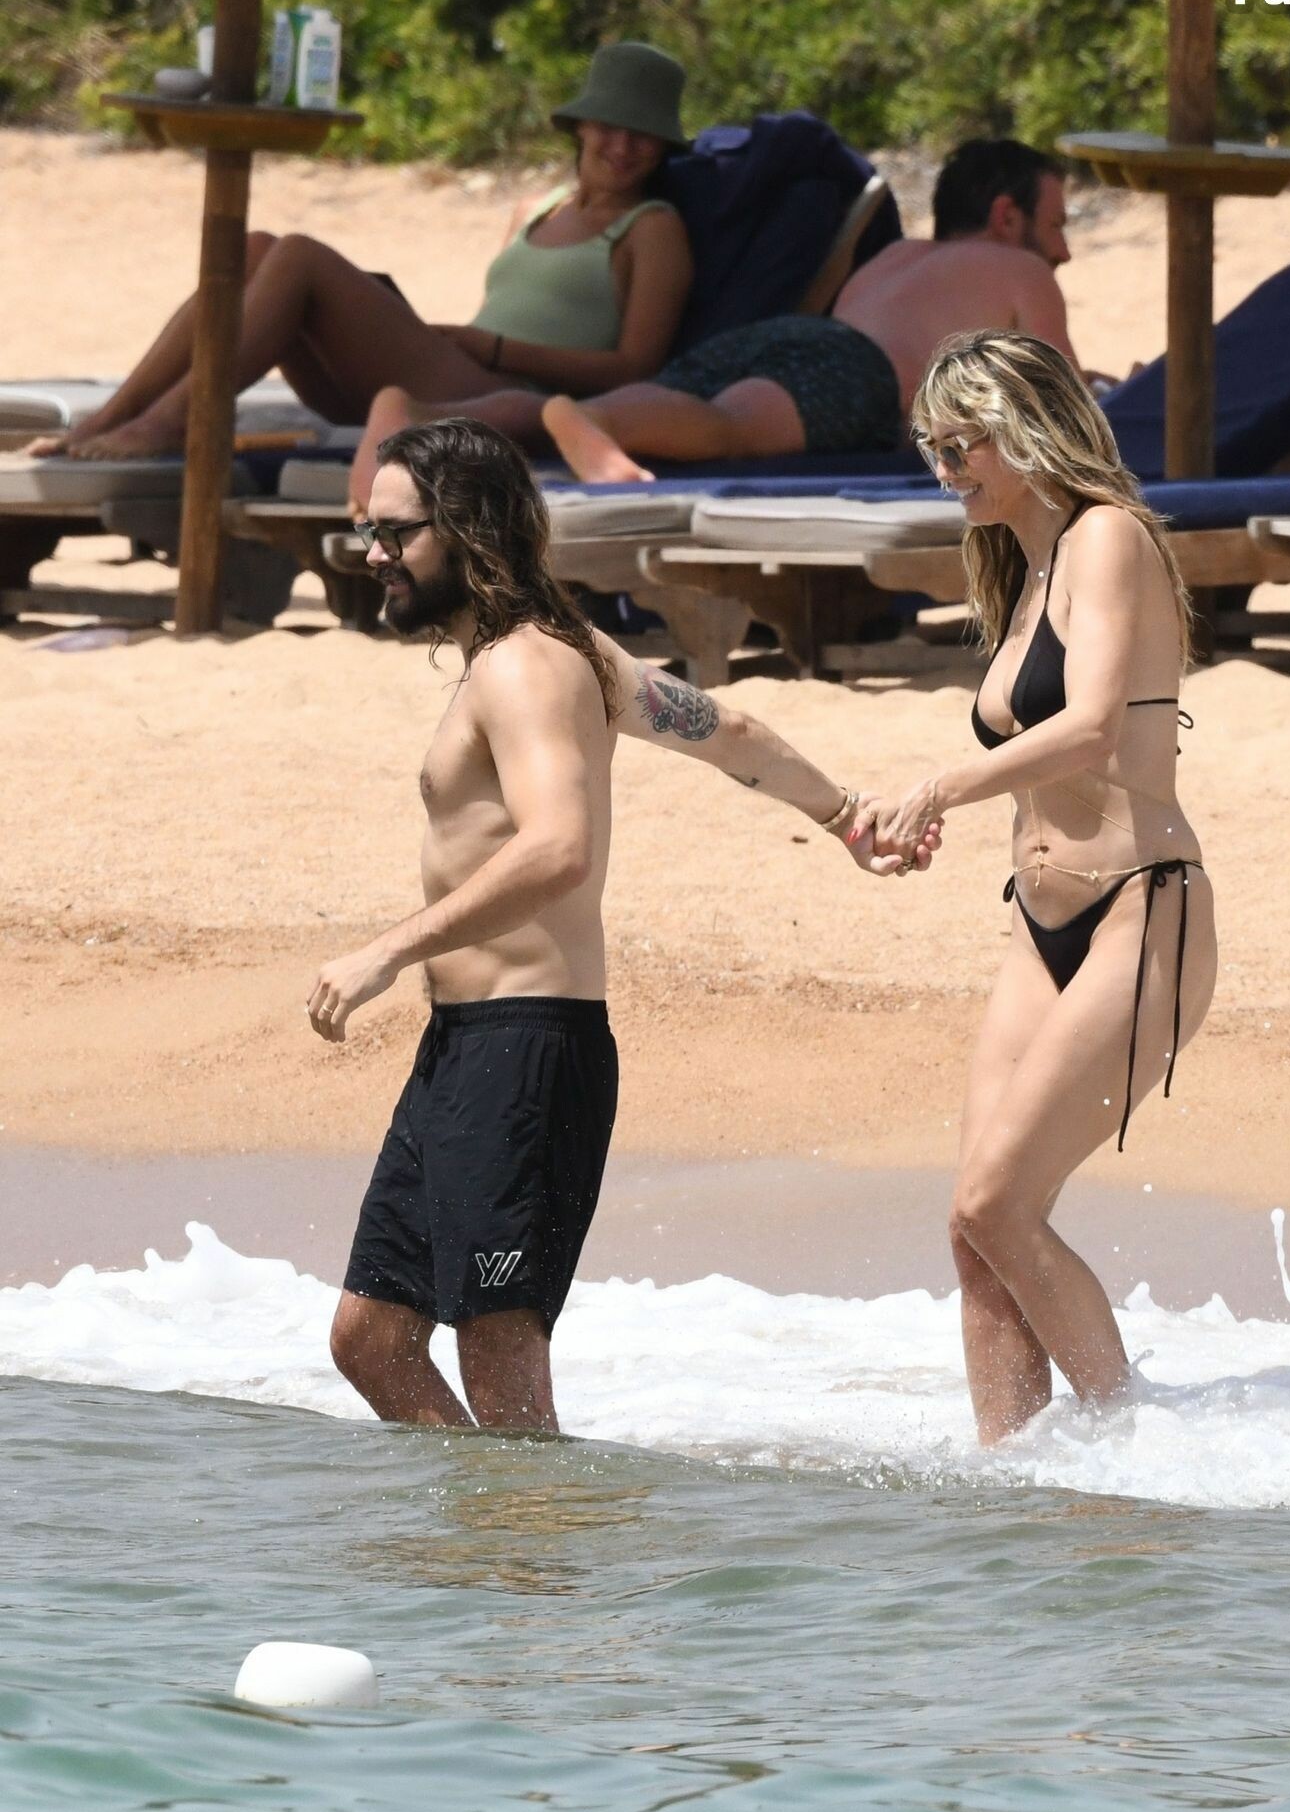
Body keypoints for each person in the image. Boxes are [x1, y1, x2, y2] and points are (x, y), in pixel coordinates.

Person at [311, 417, 937, 1435]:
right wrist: (843, 816)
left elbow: (559, 847)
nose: (371, 553)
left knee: (500, 1359)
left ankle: (538, 1535)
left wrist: (390, 948)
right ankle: (502, 1532)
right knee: (372, 1338)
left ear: (467, 528)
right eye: (367, 530)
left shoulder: (525, 668)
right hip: (469, 1049)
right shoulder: (567, 652)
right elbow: (725, 727)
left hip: (523, 1052)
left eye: (394, 532)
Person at [858, 331, 1218, 1447]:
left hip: (1139, 911)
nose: (945, 469)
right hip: (1039, 926)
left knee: (996, 1204)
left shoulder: (1107, 536)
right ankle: (1012, 1490)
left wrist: (940, 787)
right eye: (932, 448)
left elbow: (1095, 724)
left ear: (1025, 430)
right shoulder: (1026, 567)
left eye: (961, 444)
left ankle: (1139, 1453)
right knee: (973, 1230)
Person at [26, 43, 694, 470]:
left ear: (663, 147)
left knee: (300, 256)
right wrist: (463, 342)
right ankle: (112, 416)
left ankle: (171, 423)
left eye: (643, 136)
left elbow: (637, 368)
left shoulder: (652, 228)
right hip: (449, 372)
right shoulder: (536, 208)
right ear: (581, 126)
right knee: (256, 250)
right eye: (611, 127)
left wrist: (492, 348)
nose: (623, 148)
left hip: (512, 401)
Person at [385, 138, 1083, 484]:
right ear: (1005, 216)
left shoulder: (893, 259)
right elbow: (1064, 407)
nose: (1063, 250)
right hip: (853, 372)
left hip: (794, 336)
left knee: (669, 404)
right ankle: (595, 423)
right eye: (1055, 224)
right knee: (729, 428)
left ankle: (419, 419)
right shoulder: (1019, 269)